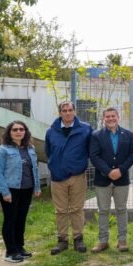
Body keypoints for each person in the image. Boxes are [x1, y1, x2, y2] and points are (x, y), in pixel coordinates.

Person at [45, 101, 92, 255]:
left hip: (77, 175)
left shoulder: (85, 129)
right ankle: (62, 240)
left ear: (74, 111)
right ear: (60, 113)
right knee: (61, 210)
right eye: (64, 110)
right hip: (58, 177)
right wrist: (55, 167)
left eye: (70, 110)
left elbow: (90, 150)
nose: (67, 113)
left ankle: (78, 238)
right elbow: (48, 152)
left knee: (77, 208)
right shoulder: (51, 131)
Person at [89, 107, 133, 253]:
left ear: (118, 117)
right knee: (103, 210)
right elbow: (94, 156)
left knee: (121, 209)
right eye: (107, 116)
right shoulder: (96, 135)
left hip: (121, 179)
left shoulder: (128, 135)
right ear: (104, 118)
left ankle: (122, 240)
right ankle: (103, 241)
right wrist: (108, 171)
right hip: (102, 179)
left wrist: (121, 170)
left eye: (113, 116)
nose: (111, 119)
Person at [0, 121, 41, 263]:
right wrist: (5, 192)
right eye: (15, 130)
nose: (18, 132)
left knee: (21, 219)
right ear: (9, 132)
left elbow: (35, 170)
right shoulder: (3, 149)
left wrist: (37, 187)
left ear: (25, 132)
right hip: (11, 190)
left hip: (26, 189)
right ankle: (11, 251)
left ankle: (20, 248)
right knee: (10, 220)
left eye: (21, 129)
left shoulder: (30, 148)